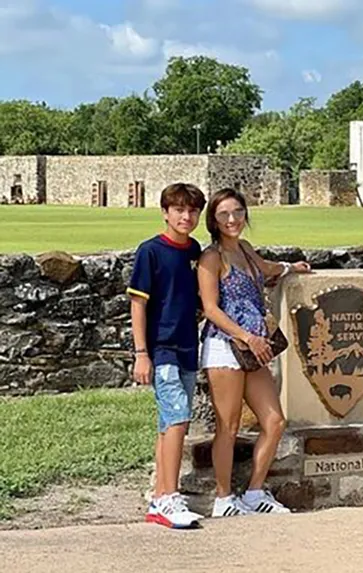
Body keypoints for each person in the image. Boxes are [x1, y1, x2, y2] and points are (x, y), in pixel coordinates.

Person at [197, 187, 311, 517]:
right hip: (225, 345)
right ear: (214, 221)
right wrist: (247, 336)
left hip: (253, 349)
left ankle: (254, 492)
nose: (232, 219)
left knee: (274, 421)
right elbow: (210, 308)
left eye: (237, 212)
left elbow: (266, 268)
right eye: (224, 215)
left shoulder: (245, 250)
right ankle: (223, 498)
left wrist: (290, 267)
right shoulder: (212, 258)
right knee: (228, 427)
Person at [128, 182, 208, 529]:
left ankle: (160, 495)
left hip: (189, 346)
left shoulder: (195, 250)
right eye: (178, 209)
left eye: (192, 211)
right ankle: (168, 498)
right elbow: (138, 304)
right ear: (165, 212)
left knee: (170, 424)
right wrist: (141, 353)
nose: (185, 216)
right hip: (161, 349)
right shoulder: (151, 252)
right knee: (177, 418)